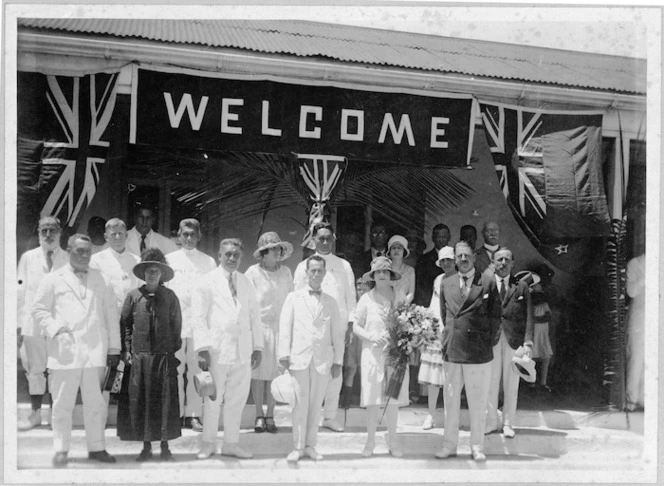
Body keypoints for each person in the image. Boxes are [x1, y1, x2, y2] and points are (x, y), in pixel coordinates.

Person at [32, 234, 121, 467]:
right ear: (68, 250)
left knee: (96, 404)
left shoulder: (102, 279)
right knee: (62, 403)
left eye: (87, 251)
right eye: (79, 251)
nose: (84, 255)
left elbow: (112, 315)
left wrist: (114, 348)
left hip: (95, 351)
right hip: (65, 351)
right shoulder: (53, 279)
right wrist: (56, 328)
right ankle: (60, 449)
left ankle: (97, 447)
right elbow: (39, 309)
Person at [191, 238, 263, 460]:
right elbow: (199, 317)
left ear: (241, 257)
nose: (232, 258)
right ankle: (208, 443)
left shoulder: (246, 282)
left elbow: (254, 316)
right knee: (213, 399)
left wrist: (257, 347)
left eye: (236, 255)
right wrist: (202, 348)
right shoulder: (206, 282)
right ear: (220, 255)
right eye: (228, 254)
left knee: (237, 400)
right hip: (217, 349)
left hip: (242, 351)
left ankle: (231, 443)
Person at [435, 241, 501, 462]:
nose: (463, 260)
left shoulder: (488, 282)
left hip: (478, 352)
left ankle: (477, 447)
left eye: (467, 256)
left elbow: (495, 318)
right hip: (453, 350)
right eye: (459, 256)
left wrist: (485, 342)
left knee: (478, 401)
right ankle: (449, 445)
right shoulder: (447, 283)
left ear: (474, 257)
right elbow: (446, 317)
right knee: (451, 401)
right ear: (455, 259)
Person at [118, 249, 182, 461]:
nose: (152, 275)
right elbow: (126, 325)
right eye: (149, 271)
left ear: (161, 274)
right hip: (140, 358)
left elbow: (176, 327)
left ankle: (165, 446)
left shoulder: (170, 297)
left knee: (164, 402)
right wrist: (128, 350)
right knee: (143, 401)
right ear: (143, 273)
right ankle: (146, 447)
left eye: (156, 271)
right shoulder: (134, 297)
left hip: (163, 357)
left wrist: (170, 351)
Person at [278, 255, 344, 462]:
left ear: (325, 274)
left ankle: (310, 445)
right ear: (306, 273)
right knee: (299, 404)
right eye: (313, 270)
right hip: (299, 358)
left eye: (320, 271)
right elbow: (285, 327)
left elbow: (337, 334)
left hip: (322, 360)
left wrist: (338, 361)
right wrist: (283, 355)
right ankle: (297, 447)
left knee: (316, 405)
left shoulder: (331, 302)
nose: (316, 274)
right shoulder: (293, 297)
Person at [293, 222, 355, 432]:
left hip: (337, 326)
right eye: (321, 238)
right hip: (311, 327)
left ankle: (329, 416)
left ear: (334, 239)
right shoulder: (303, 267)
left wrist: (350, 325)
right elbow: (296, 299)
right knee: (310, 371)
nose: (325, 242)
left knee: (335, 370)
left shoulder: (343, 265)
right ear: (314, 240)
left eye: (329, 238)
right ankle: (309, 416)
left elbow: (350, 296)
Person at [352, 257, 408, 458]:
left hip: (394, 355)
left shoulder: (399, 296)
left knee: (392, 401)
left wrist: (397, 336)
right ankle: (370, 442)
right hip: (373, 354)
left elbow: (408, 324)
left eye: (386, 271)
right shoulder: (366, 298)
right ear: (373, 276)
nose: (382, 275)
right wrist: (371, 336)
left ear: (391, 275)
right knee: (373, 401)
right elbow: (356, 325)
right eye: (378, 272)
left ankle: (393, 442)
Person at [17, 216, 69, 430]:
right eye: (44, 231)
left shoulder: (68, 258)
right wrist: (19, 324)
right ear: (38, 233)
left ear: (60, 233)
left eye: (52, 230)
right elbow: (20, 291)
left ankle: (55, 418)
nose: (48, 235)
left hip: (59, 323)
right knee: (35, 369)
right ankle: (35, 414)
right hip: (33, 323)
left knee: (58, 369)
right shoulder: (28, 258)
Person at [166, 219, 217, 432]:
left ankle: (194, 415)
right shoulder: (169, 260)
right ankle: (175, 413)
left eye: (192, 234)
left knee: (196, 370)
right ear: (178, 234)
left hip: (198, 324)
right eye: (184, 234)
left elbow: (212, 296)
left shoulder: (209, 262)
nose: (188, 238)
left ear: (199, 236)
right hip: (175, 323)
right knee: (175, 369)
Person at [245, 232, 294, 434]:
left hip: (280, 329)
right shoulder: (252, 273)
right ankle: (258, 414)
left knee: (275, 373)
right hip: (259, 328)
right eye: (273, 248)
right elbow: (246, 303)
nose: (276, 252)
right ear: (263, 253)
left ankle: (271, 415)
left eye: (278, 248)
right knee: (258, 374)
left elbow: (291, 301)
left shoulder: (286, 273)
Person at [485, 248, 534, 438]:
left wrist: (528, 342)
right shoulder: (486, 284)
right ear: (494, 263)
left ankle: (508, 423)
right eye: (499, 260)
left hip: (514, 341)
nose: (503, 263)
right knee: (490, 382)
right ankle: (490, 422)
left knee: (511, 384)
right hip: (492, 340)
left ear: (513, 263)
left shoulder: (521, 286)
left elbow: (529, 316)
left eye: (507, 259)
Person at [419, 245, 455, 430]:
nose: (446, 263)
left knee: (451, 378)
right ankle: (431, 415)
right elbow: (434, 307)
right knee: (434, 378)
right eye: (443, 260)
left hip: (454, 334)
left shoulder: (461, 280)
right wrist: (430, 328)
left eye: (449, 259)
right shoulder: (438, 279)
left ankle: (450, 416)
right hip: (436, 334)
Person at [90, 218, 140, 314]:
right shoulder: (95, 261)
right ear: (106, 237)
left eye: (120, 233)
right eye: (113, 234)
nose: (117, 237)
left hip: (131, 315)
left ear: (126, 235)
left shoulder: (137, 261)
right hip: (106, 315)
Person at [520, 272, 553, 393]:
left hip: (542, 335)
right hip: (532, 335)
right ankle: (531, 383)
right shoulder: (528, 306)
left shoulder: (544, 305)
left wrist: (536, 319)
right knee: (530, 358)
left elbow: (548, 317)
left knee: (545, 357)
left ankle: (543, 383)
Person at [341, 277, 371, 409]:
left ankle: (365, 400)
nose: (361, 291)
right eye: (359, 288)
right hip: (354, 337)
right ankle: (346, 400)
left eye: (365, 288)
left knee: (364, 368)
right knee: (351, 367)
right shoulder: (352, 303)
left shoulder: (371, 301)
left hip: (366, 337)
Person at [625, 253, 645, 410]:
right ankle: (631, 398)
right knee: (637, 356)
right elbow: (631, 291)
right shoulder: (635, 263)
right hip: (640, 316)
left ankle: (647, 399)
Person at [414, 224, 451, 306]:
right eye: (438, 237)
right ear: (433, 238)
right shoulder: (423, 260)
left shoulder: (455, 259)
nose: (441, 240)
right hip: (430, 305)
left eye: (444, 237)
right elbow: (419, 287)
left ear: (449, 238)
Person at [388, 235, 415, 304]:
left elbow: (411, 294)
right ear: (390, 252)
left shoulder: (410, 270)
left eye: (399, 248)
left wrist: (402, 307)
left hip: (404, 308)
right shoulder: (385, 270)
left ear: (404, 251)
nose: (396, 250)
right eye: (393, 248)